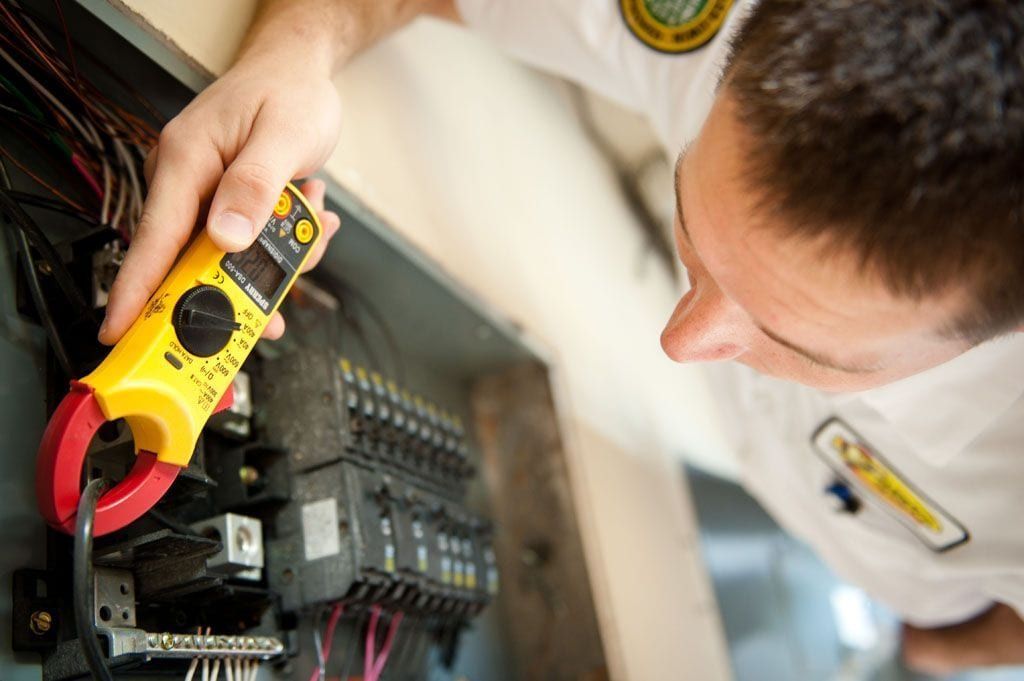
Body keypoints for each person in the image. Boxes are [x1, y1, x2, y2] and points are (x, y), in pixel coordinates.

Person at [99, 0, 1024, 675]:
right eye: (694, 237)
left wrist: (946, 645)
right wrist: (297, 56)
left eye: (804, 344)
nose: (680, 338)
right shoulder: (768, 32)